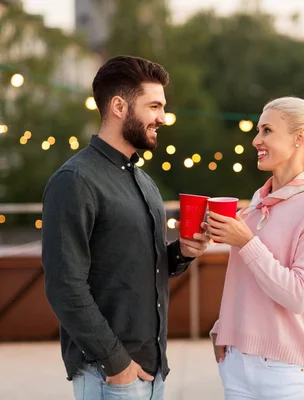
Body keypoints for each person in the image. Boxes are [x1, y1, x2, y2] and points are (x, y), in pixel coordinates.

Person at [42, 55, 209, 400]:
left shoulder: (143, 181)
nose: (162, 118)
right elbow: (64, 286)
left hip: (152, 369)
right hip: (110, 375)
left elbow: (133, 266)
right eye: (154, 106)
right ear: (119, 106)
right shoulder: (74, 181)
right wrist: (116, 363)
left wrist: (181, 252)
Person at [207, 96, 304, 399]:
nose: (256, 140)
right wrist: (223, 327)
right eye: (258, 130)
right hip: (236, 365)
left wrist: (247, 243)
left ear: (300, 138)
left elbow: (298, 296)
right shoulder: (255, 206)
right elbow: (246, 283)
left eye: (267, 130)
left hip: (286, 373)